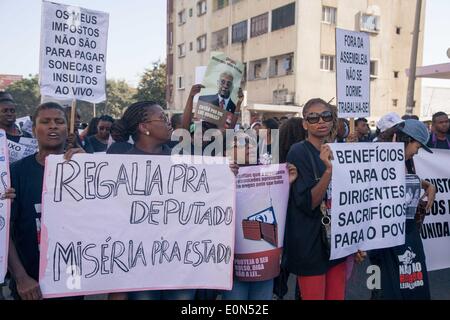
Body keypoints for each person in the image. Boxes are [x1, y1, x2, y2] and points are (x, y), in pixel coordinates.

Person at [284, 98, 364, 300]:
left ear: (332, 121)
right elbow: (308, 203)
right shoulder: (298, 151)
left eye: (326, 116)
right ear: (305, 124)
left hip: (337, 244)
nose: (320, 121)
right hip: (310, 243)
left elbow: (353, 199)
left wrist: (356, 241)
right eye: (313, 117)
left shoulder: (339, 150)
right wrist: (329, 170)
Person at [8, 102, 85, 300]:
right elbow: (4, 231)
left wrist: (90, 167)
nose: (53, 126)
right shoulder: (15, 173)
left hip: (73, 282)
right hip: (31, 286)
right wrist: (21, 278)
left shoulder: (85, 167)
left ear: (67, 129)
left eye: (59, 122)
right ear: (34, 130)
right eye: (45, 122)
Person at [370, 119, 436, 300]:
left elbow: (406, 179)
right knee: (381, 289)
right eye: (417, 146)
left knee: (412, 288)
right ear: (405, 140)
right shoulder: (377, 160)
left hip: (407, 237)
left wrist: (428, 185)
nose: (417, 152)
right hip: (384, 242)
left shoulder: (404, 161)